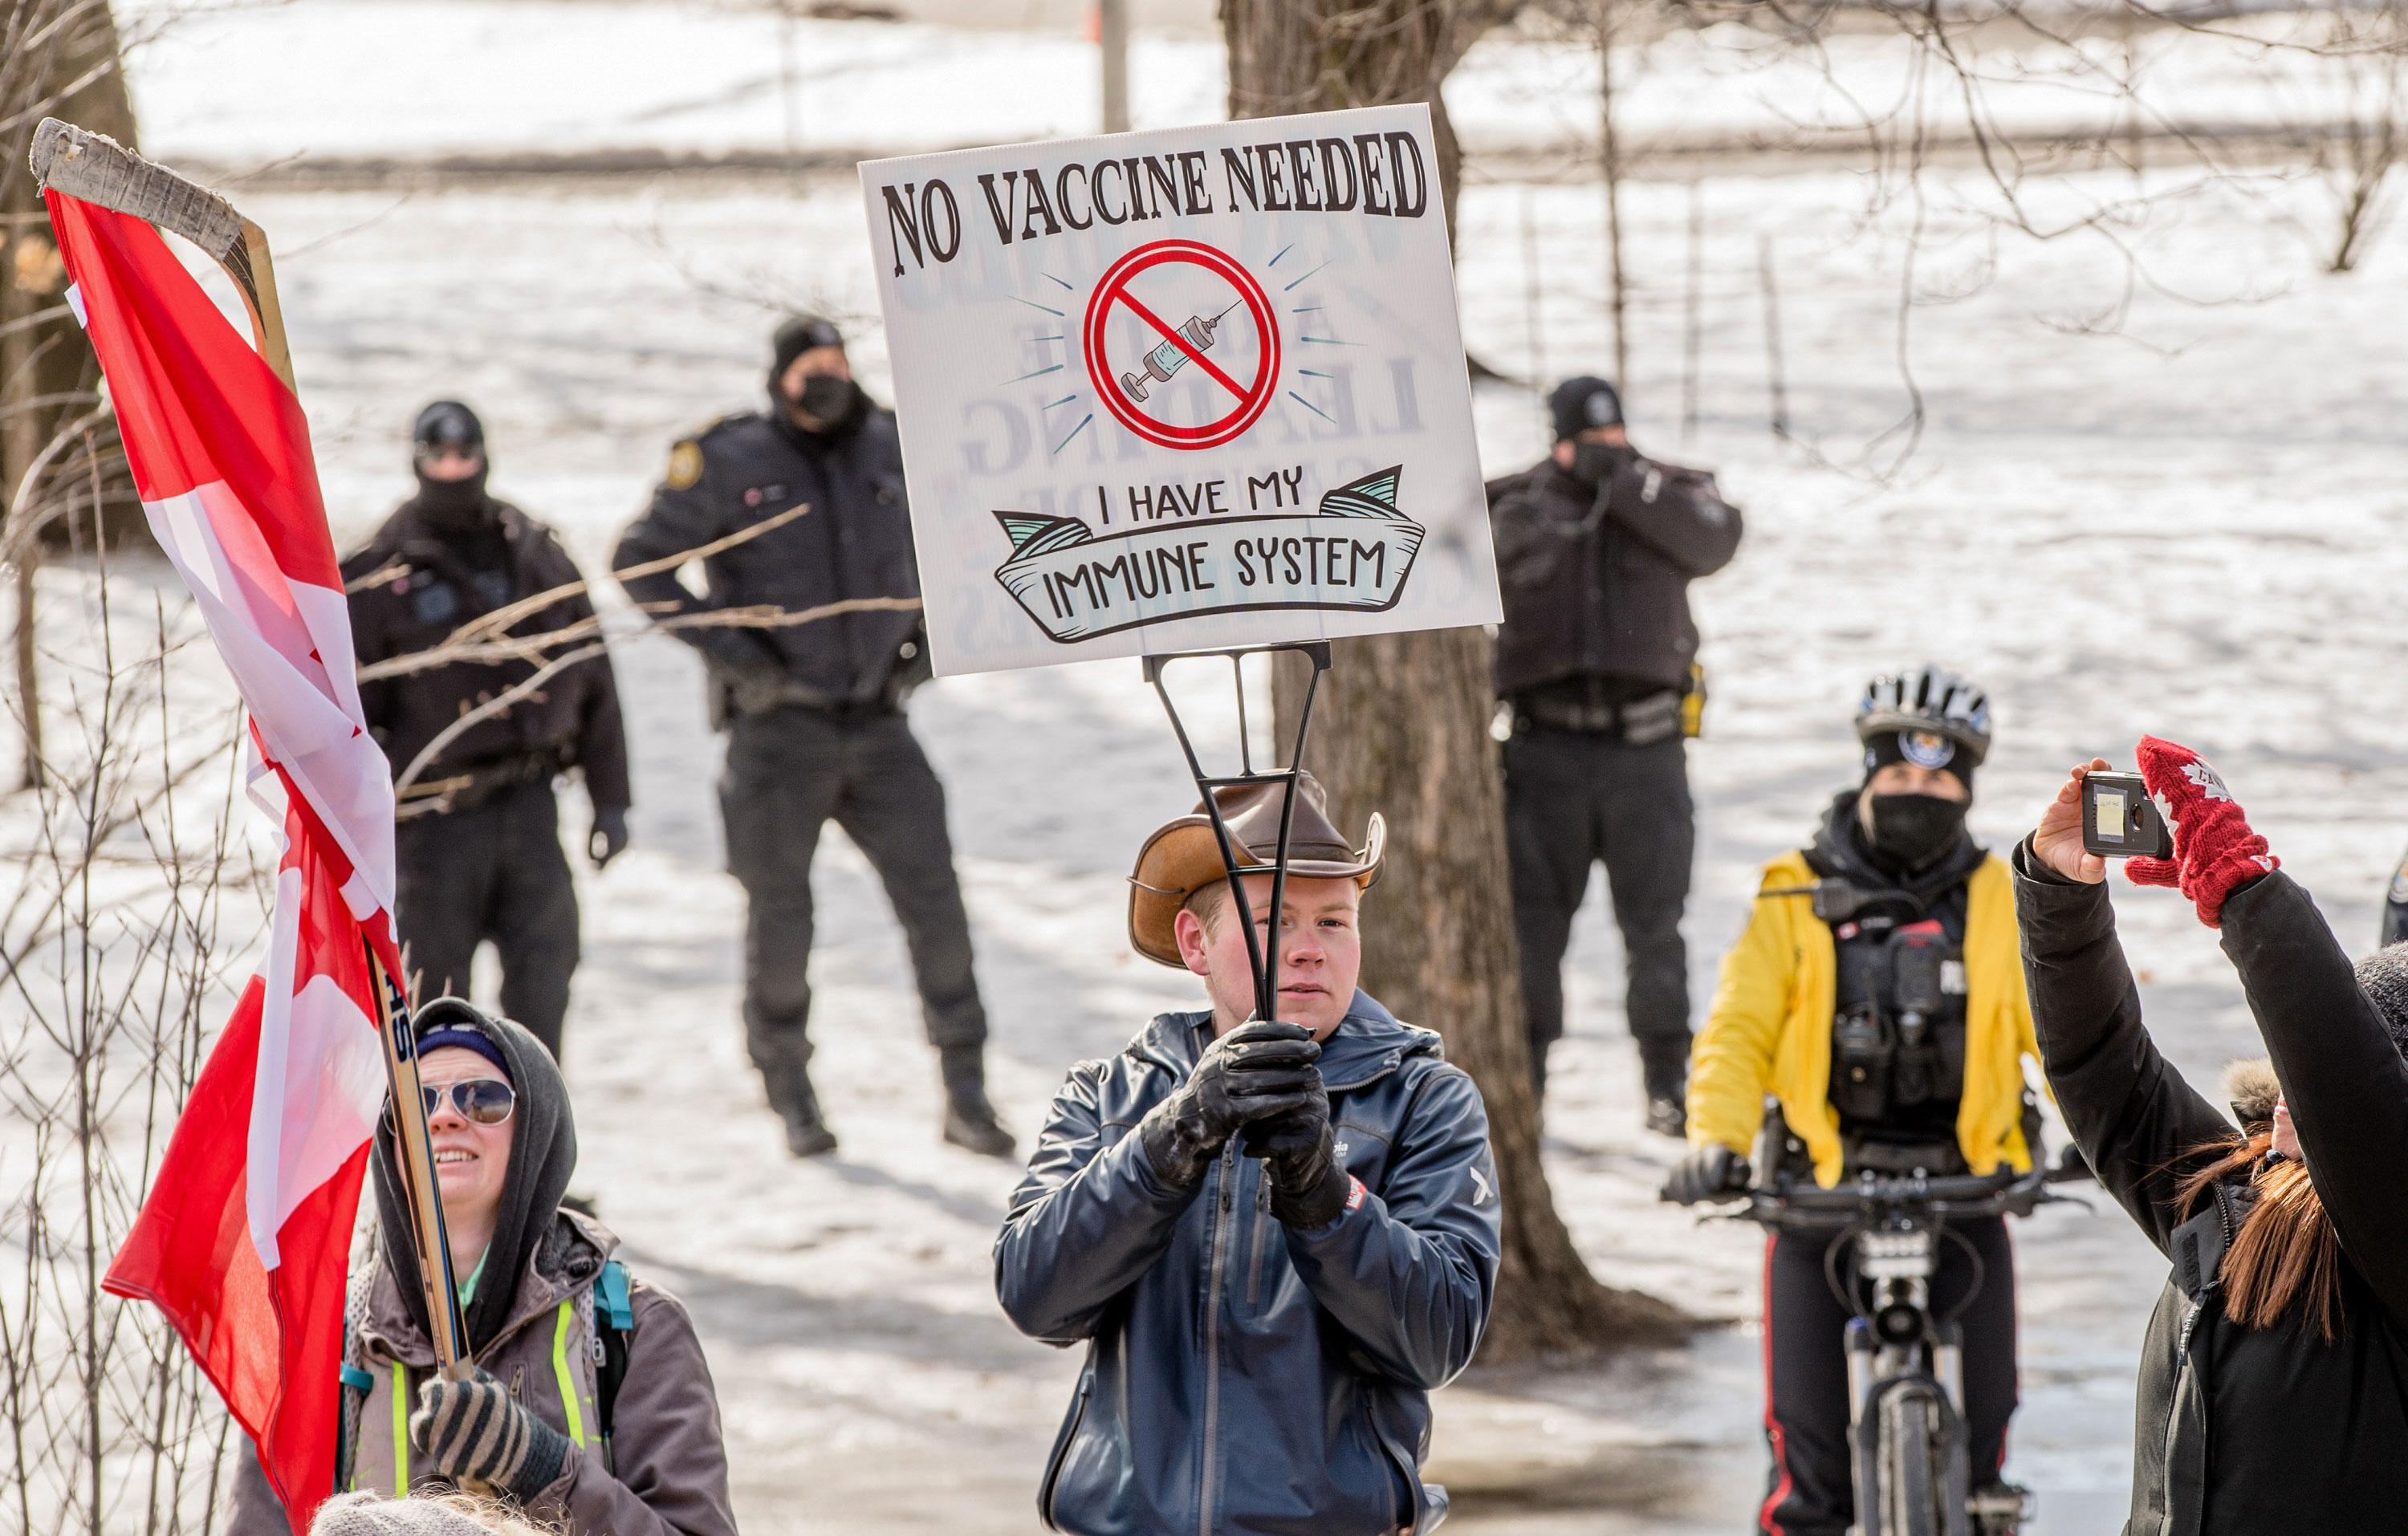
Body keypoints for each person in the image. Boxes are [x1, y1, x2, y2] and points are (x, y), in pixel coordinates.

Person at [996, 776, 1501, 1536]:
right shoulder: (1108, 1093)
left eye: (1335, 921)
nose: (1307, 949)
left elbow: (1440, 1336)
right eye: (1273, 920)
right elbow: (1036, 1295)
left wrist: (1325, 1197)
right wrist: (1173, 1140)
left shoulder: (1425, 1097)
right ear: (1196, 944)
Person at [611, 315, 1011, 1160]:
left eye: (838, 364)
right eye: (809, 368)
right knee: (782, 920)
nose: (826, 380)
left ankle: (966, 1090)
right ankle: (791, 1092)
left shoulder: (898, 447)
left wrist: (926, 650)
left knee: (936, 907)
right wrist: (727, 649)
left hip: (877, 726)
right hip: (775, 736)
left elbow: (973, 543)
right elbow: (641, 560)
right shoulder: (728, 460)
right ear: (781, 378)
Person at [1672, 665, 2039, 1536]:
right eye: (1901, 775)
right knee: (1809, 1485)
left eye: (1942, 777)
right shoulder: (1792, 888)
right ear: (1868, 774)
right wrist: (1713, 1142)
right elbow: (1737, 1031)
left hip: (1966, 1190)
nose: (1921, 792)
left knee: (1988, 1463)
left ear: (1968, 786)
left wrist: (2112, 1134)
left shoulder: (2001, 896)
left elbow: (2057, 1031)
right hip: (1819, 1201)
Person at [2018, 739, 2408, 1534]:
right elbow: (2104, 1074)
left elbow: (2355, 1105)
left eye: (2314, 1077)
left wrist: (2248, 895)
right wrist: (2061, 897)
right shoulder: (2238, 1203)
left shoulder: (2395, 1233)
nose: (2298, 1095)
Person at [226, 1000, 737, 1536]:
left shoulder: (636, 1327)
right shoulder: (317, 1344)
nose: (444, 1117)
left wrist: (539, 1467)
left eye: (483, 1099)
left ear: (536, 1131)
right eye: (415, 1103)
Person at [1487, 375, 1743, 1130]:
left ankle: (1667, 1084)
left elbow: (1715, 539)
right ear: (1556, 439)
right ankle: (1523, 1085)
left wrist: (1627, 485)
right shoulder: (1515, 503)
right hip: (1544, 755)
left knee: (1655, 929)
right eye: (1587, 440)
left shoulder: (1665, 492)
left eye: (1614, 437)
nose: (1603, 451)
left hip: (1646, 754)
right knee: (1533, 934)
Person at [344, 402, 630, 1066]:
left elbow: (595, 678)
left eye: (464, 456)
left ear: (484, 456)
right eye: (438, 458)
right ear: (417, 462)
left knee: (545, 983)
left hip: (530, 807)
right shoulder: (380, 572)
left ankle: (534, 1153)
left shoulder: (535, 552)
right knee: (436, 1015)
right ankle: (436, 1163)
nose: (453, 470)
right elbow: (352, 720)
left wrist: (611, 797)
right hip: (434, 826)